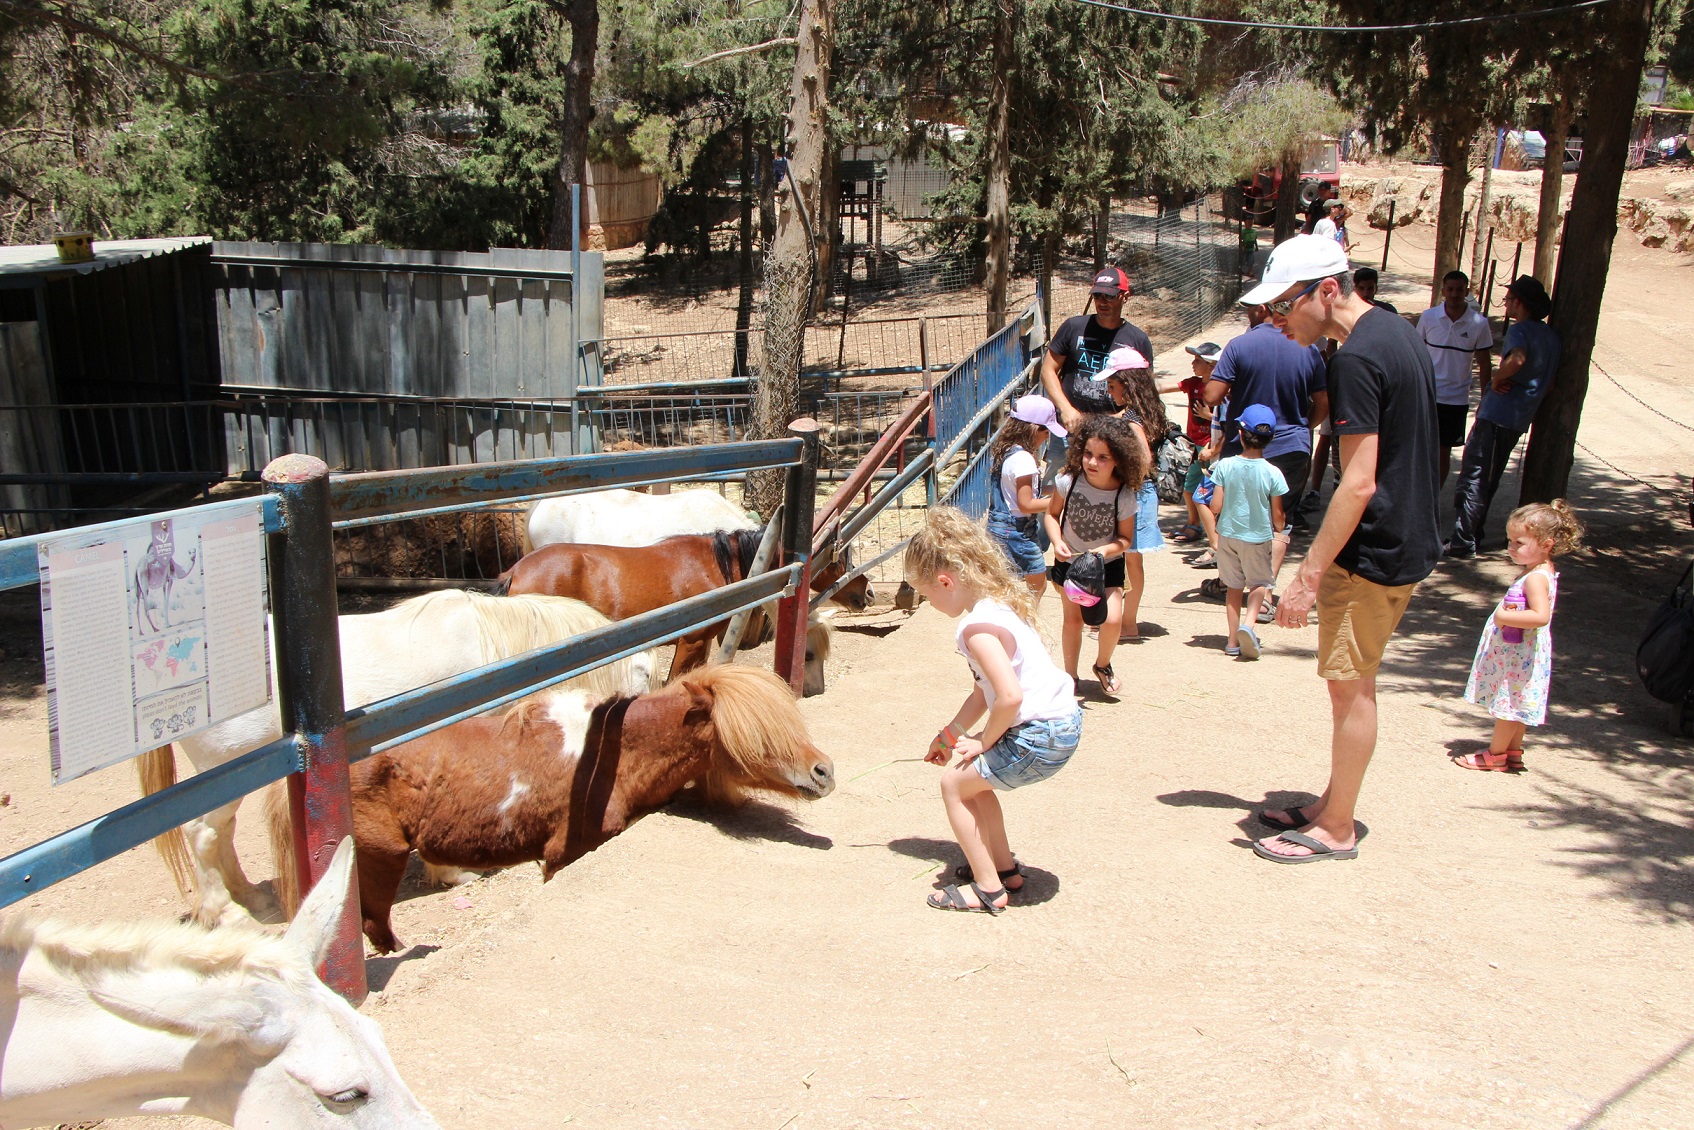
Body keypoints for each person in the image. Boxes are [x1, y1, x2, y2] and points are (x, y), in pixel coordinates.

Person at [1247, 234, 1442, 864]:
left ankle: (1337, 828)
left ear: (1327, 291)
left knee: (1350, 687)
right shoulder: (1394, 330)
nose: (1278, 321)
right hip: (1404, 536)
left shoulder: (1353, 361)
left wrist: (1308, 573)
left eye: (1284, 307)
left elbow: (1357, 481)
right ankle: (1334, 802)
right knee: (1354, 681)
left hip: (1375, 548)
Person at [905, 507, 1082, 915]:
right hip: (1062, 724)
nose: (930, 603)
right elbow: (983, 693)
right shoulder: (998, 606)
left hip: (1039, 733)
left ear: (946, 581)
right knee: (975, 782)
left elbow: (1009, 697)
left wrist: (983, 740)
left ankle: (988, 889)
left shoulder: (976, 630)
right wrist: (950, 736)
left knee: (953, 785)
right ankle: (1004, 870)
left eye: (927, 594)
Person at [1203, 296, 1327, 607]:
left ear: (1265, 309)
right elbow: (1323, 403)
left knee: (1233, 517)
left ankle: (1227, 580)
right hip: (1293, 447)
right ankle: (1266, 594)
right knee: (1280, 521)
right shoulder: (1308, 348)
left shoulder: (1240, 345)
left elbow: (1212, 395)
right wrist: (1300, 429)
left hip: (1243, 451)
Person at [1455, 501, 1583, 773]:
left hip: (1518, 654)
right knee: (1518, 702)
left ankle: (1496, 755)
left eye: (1519, 542)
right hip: (1523, 652)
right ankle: (1514, 750)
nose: (1511, 547)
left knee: (1508, 704)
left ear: (1546, 544)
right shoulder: (1540, 570)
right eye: (1510, 540)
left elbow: (1540, 616)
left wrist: (1503, 617)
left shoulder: (1536, 578)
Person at [1447, 275, 1560, 558]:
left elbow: (1518, 358)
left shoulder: (1521, 331)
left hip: (1499, 413)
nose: (1506, 303)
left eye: (1509, 299)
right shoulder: (1551, 337)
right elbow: (1550, 384)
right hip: (1519, 416)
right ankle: (1474, 531)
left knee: (1475, 474)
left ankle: (1462, 540)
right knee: (1490, 476)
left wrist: (1498, 380)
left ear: (1519, 303)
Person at [1044, 415, 1146, 698]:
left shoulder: (1123, 495)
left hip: (1107, 566)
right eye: (1088, 454)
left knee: (1112, 620)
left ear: (1119, 460)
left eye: (1103, 457)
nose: (1092, 462)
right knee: (1073, 620)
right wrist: (1056, 541)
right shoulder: (1068, 481)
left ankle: (1102, 665)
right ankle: (1069, 675)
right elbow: (1052, 515)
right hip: (1070, 564)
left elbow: (1125, 539)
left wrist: (1105, 550)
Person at [1095, 346, 1168, 637]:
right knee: (1130, 561)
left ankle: (1127, 623)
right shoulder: (1145, 411)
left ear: (1127, 384)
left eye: (1112, 386)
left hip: (1136, 493)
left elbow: (1144, 458)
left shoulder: (1132, 418)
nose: (1110, 392)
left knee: (1129, 560)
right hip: (1140, 491)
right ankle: (1124, 620)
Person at [1207, 404, 1288, 660]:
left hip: (1228, 535)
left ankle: (1232, 641)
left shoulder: (1225, 466)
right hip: (1258, 537)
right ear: (1270, 438)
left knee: (1233, 587)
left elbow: (1215, 505)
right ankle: (1248, 625)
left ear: (1241, 434)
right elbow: (1278, 514)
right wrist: (1279, 528)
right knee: (1259, 584)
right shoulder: (1273, 472)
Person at [1039, 266, 1157, 438]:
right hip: (1069, 428)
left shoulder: (1138, 340)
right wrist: (1066, 409)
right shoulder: (1073, 327)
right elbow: (1048, 370)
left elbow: (1144, 390)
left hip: (1113, 432)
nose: (1102, 302)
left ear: (1125, 297)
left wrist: (1118, 419)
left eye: (1109, 296)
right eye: (1097, 295)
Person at [1417, 270, 1493, 485]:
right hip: (1428, 394)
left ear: (1466, 291)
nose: (1454, 294)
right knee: (1420, 447)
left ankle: (1433, 499)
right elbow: (1415, 352)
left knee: (1443, 450)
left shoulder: (1478, 323)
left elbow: (1485, 363)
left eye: (1460, 290)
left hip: (1456, 399)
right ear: (1443, 291)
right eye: (1450, 289)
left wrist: (1486, 398)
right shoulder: (1429, 317)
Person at [987, 395, 1063, 597]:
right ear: (1032, 429)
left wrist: (1057, 490)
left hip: (999, 527)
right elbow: (1026, 503)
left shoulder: (1006, 452)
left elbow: (1019, 491)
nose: (1047, 437)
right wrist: (1060, 501)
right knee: (1037, 583)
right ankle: (1025, 624)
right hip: (1017, 531)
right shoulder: (1024, 460)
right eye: (1045, 431)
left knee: (1005, 584)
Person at [1163, 342, 1222, 547]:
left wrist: (1208, 415)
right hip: (1194, 445)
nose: (1192, 363)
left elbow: (1228, 420)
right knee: (1189, 487)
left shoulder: (1221, 388)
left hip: (1209, 446)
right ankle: (1195, 523)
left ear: (1211, 365)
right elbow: (1164, 387)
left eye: (1198, 360)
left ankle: (1199, 526)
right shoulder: (1192, 384)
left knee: (1197, 488)